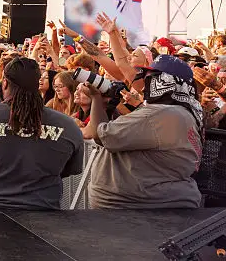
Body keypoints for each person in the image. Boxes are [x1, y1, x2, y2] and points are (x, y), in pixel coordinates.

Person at [0, 57, 84, 210]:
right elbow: (70, 169)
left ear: (4, 83)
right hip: (43, 209)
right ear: (37, 84)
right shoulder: (67, 125)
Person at [81, 54, 202, 209]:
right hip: (147, 205)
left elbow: (101, 136)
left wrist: (96, 98)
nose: (144, 86)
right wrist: (108, 106)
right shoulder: (180, 112)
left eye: (150, 79)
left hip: (141, 209)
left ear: (168, 82)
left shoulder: (160, 114)